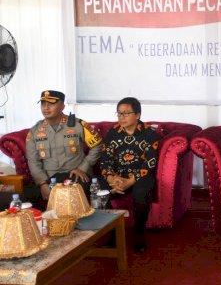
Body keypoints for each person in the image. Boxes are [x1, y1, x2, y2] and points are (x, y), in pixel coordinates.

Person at [99, 97, 159, 253]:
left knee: (141, 192)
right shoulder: (113, 133)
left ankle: (139, 233)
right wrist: (112, 179)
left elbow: (150, 163)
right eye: (119, 114)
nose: (121, 117)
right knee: (101, 191)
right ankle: (112, 234)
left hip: (140, 176)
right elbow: (105, 160)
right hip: (118, 176)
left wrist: (129, 182)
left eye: (126, 113)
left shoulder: (149, 134)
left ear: (137, 115)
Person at [26, 90, 102, 201]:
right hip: (49, 178)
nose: (45, 108)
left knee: (75, 193)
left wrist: (83, 168)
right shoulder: (35, 131)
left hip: (75, 175)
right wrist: (42, 184)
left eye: (51, 103)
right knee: (27, 195)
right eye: (43, 104)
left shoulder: (78, 125)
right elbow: (33, 161)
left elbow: (97, 145)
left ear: (62, 106)